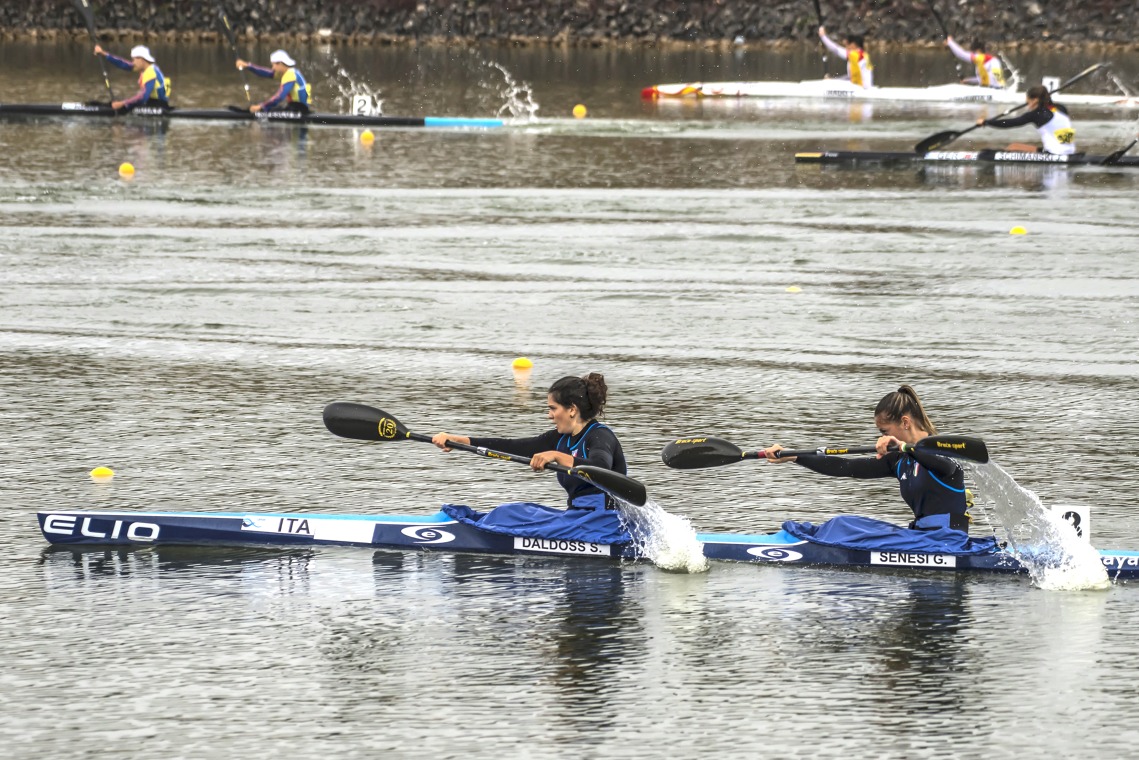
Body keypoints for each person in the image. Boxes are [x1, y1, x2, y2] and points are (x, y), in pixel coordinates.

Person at [762, 385, 970, 532]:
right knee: (843, 524)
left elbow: (946, 467)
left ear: (905, 422)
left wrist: (904, 446)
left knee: (844, 527)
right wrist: (794, 456)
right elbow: (845, 466)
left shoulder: (941, 449)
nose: (882, 437)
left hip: (948, 541)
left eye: (885, 430)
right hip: (922, 537)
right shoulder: (898, 461)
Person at [431, 373, 627, 511]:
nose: (549, 416)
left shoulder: (600, 436)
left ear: (572, 410)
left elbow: (602, 468)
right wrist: (459, 441)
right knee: (512, 512)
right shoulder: (560, 438)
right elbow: (511, 447)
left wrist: (556, 456)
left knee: (512, 517)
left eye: (553, 408)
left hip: (605, 522)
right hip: (578, 516)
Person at [975, 85, 1076, 155]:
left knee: (1012, 148)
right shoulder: (1061, 108)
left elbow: (1010, 123)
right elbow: (1051, 109)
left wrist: (987, 122)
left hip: (1055, 153)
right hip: (1070, 151)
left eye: (1028, 102)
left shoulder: (1036, 114)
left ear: (1035, 100)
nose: (1028, 105)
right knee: (1014, 146)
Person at [93, 44, 170, 111]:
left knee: (118, 106)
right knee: (110, 104)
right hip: (155, 103)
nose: (133, 62)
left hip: (157, 106)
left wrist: (122, 103)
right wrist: (103, 53)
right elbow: (123, 64)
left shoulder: (150, 72)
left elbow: (143, 97)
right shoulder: (148, 68)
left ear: (141, 59)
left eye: (134, 59)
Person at [236, 50, 311, 114]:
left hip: (299, 109)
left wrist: (261, 106)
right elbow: (266, 73)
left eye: (273, 65)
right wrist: (247, 65)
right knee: (270, 108)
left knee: (267, 110)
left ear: (280, 63)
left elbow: (280, 97)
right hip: (298, 107)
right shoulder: (289, 72)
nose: (273, 68)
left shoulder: (290, 75)